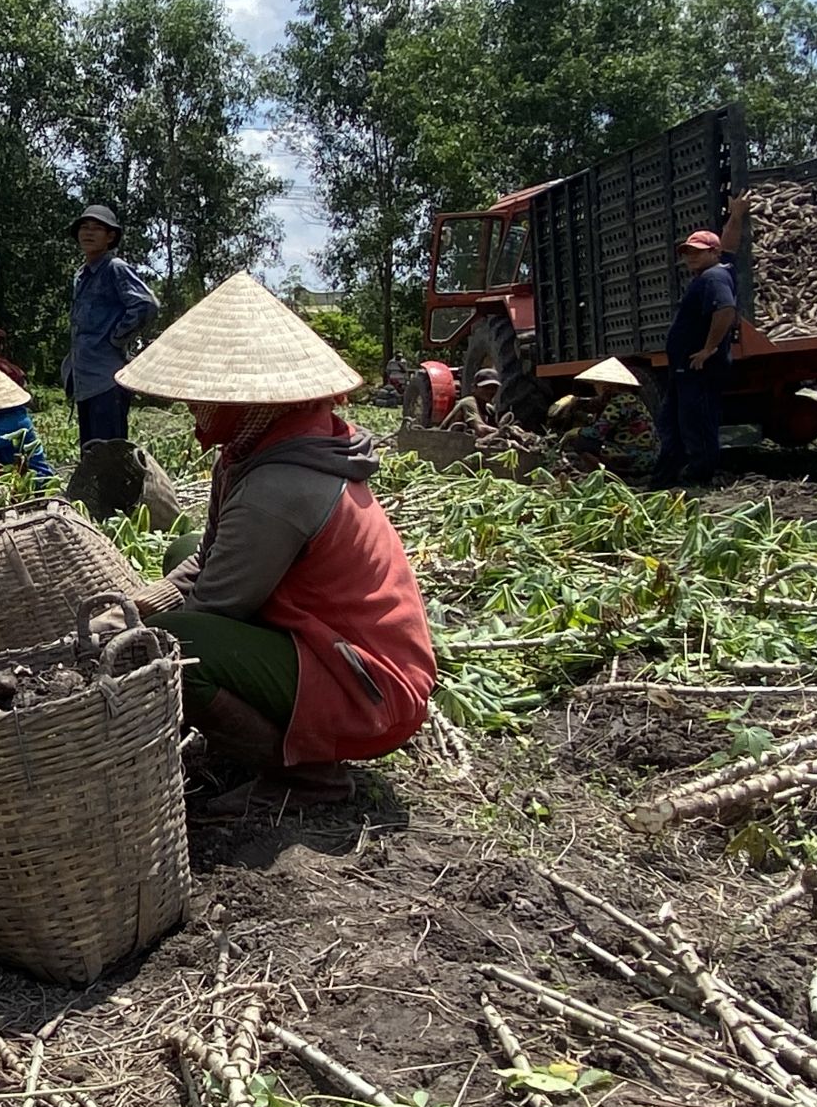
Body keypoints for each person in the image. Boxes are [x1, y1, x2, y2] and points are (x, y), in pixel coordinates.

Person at [113, 272, 436, 811]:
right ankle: (259, 734)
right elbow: (208, 555)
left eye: (204, 396)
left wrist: (140, 629)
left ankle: (304, 777)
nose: (193, 407)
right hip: (336, 647)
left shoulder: (277, 486)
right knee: (181, 551)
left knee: (168, 650)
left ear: (245, 402)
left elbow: (218, 603)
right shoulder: (262, 449)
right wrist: (155, 596)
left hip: (367, 685)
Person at [649, 194, 747, 489]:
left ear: (711, 253)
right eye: (687, 252)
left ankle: (699, 479)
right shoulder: (720, 266)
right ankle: (665, 479)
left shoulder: (713, 278)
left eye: (697, 252)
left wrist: (709, 348)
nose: (690, 256)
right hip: (685, 367)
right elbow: (729, 244)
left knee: (696, 423)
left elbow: (726, 310)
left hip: (699, 367)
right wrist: (737, 215)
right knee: (673, 422)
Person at [62, 205, 159, 444]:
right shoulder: (82, 275)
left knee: (109, 456)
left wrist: (116, 337)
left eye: (97, 228)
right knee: (90, 453)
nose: (88, 233)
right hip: (85, 379)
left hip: (106, 379)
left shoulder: (114, 268)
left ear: (110, 236)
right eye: (84, 227)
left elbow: (146, 304)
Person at [563, 358, 657, 478]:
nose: (595, 388)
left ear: (606, 386)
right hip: (647, 453)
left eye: (596, 384)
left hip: (636, 456)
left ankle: (602, 477)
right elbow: (594, 403)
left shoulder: (619, 403)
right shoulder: (629, 398)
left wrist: (575, 432)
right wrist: (575, 401)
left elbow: (596, 432)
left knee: (582, 443)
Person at [440, 369, 503, 436]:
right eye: (485, 388)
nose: (490, 391)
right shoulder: (469, 402)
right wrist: (503, 431)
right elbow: (481, 429)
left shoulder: (489, 409)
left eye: (494, 388)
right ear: (474, 388)